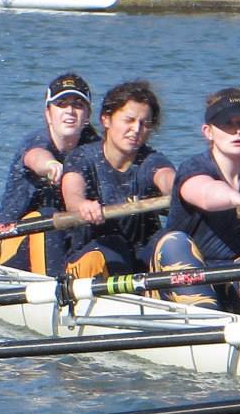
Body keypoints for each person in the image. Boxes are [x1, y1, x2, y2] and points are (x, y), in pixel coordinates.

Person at [149, 88, 240, 311]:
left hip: (237, 277)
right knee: (174, 242)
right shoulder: (194, 167)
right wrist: (237, 199)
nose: (237, 131)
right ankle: (205, 320)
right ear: (208, 131)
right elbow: (204, 192)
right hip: (185, 274)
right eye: (227, 124)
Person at [58, 80, 176, 279]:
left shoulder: (152, 160)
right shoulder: (82, 158)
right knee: (113, 246)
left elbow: (168, 179)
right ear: (106, 119)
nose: (136, 129)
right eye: (129, 120)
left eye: (144, 124)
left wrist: (183, 192)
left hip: (138, 260)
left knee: (173, 240)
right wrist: (82, 204)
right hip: (92, 253)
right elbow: (72, 195)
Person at [0, 72, 97, 274]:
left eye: (78, 105)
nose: (70, 111)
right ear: (48, 114)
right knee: (47, 218)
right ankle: (55, 293)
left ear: (87, 116)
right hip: (6, 243)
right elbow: (35, 157)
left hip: (60, 245)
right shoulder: (37, 141)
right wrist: (50, 166)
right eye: (62, 104)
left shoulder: (94, 148)